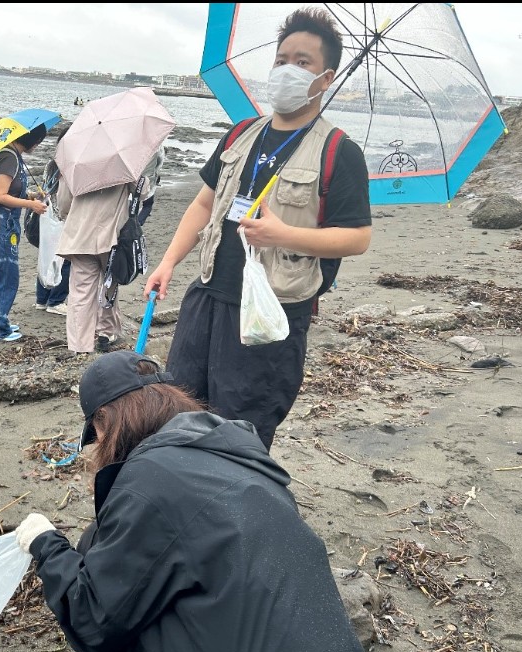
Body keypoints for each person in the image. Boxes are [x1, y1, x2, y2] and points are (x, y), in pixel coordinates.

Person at [15, 350, 387, 652]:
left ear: (106, 421)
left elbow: (92, 614)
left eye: (97, 435)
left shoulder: (150, 481)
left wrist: (46, 544)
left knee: (105, 584)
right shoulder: (242, 454)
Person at [143, 6, 371, 450]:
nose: (287, 70)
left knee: (239, 431)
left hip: (270, 312)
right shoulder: (241, 133)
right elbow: (204, 203)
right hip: (207, 296)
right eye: (281, 60)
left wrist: (283, 234)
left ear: (326, 78)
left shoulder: (340, 151)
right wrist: (169, 262)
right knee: (179, 412)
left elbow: (357, 238)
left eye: (302, 62)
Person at [56, 174, 149, 354]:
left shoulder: (77, 162)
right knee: (110, 285)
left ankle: (80, 346)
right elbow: (143, 191)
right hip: (112, 234)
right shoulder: (122, 163)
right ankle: (106, 332)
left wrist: (68, 214)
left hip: (81, 233)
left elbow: (64, 201)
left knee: (81, 291)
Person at [0, 124, 48, 342]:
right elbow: (0, 195)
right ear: (31, 140)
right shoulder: (8, 158)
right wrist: (32, 206)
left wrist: (30, 196)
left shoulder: (12, 156)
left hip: (5, 223)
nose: (37, 146)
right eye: (37, 142)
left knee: (0, 274)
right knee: (5, 276)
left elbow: (11, 189)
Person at [33, 134, 69, 316]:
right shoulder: (69, 166)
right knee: (66, 260)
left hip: (46, 217)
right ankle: (56, 300)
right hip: (61, 218)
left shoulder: (52, 164)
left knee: (46, 256)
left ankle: (42, 298)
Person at [136, 143, 165, 227]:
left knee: (133, 203)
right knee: (148, 204)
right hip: (149, 179)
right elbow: (160, 162)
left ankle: (133, 223)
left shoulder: (134, 145)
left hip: (134, 178)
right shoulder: (157, 147)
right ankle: (138, 224)